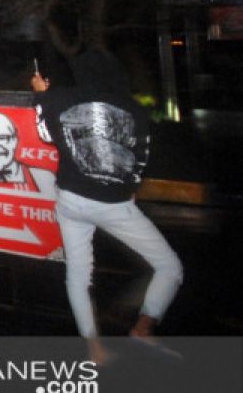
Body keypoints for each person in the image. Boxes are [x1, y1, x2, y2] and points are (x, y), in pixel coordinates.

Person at [31, 48, 183, 364]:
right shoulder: (135, 109)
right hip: (115, 204)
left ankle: (95, 349)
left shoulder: (61, 98)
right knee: (169, 267)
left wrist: (41, 96)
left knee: (78, 274)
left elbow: (46, 135)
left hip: (72, 200)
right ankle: (143, 328)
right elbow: (141, 157)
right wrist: (131, 188)